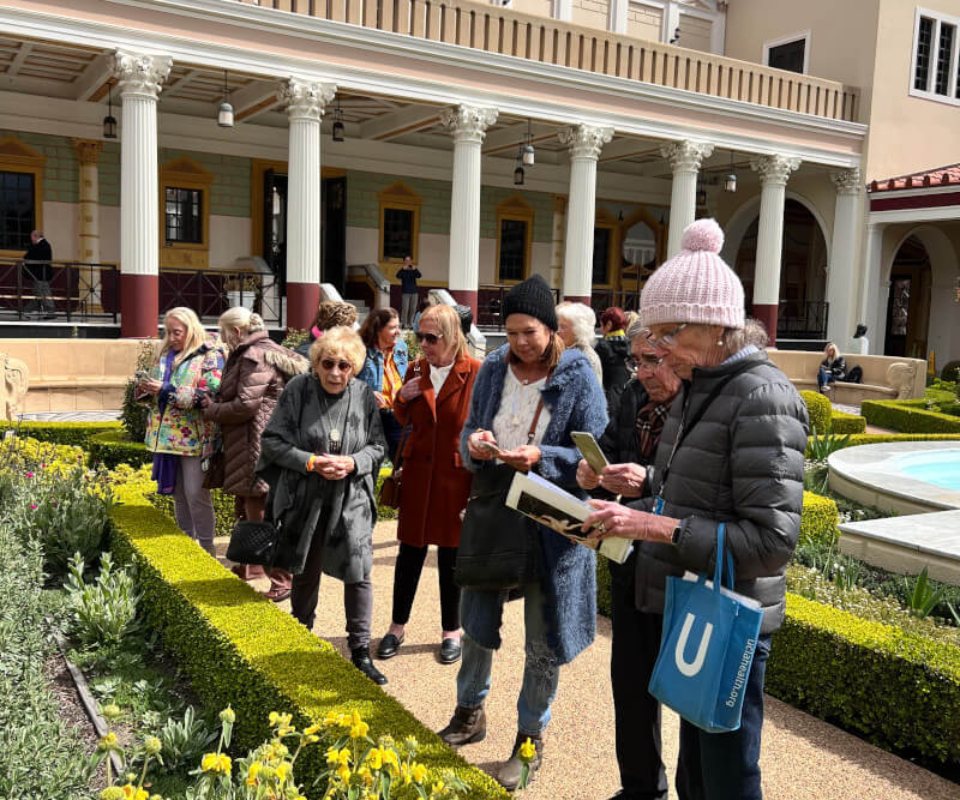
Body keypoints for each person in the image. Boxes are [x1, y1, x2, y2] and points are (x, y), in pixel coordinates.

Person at [582, 219, 808, 800]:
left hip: (731, 613)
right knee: (695, 776)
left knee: (726, 779)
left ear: (711, 325)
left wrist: (654, 523)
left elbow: (772, 541)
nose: (657, 351)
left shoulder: (764, 396)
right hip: (692, 599)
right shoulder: (703, 384)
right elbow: (696, 485)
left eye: (666, 335)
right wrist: (638, 489)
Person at [438, 274, 608, 790]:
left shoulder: (578, 374)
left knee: (542, 639)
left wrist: (543, 456)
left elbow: (596, 450)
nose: (518, 343)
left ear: (552, 328)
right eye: (510, 333)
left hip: (551, 522)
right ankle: (470, 711)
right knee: (476, 621)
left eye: (528, 332)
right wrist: (480, 443)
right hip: (495, 510)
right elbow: (468, 432)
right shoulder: (493, 367)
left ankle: (530, 739)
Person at [576, 319, 681, 800]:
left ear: (679, 358)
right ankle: (641, 789)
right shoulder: (631, 399)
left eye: (652, 361)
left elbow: (699, 485)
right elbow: (613, 453)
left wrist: (650, 481)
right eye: (636, 361)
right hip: (629, 563)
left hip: (681, 565)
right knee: (630, 685)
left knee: (689, 696)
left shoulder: (697, 408)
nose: (641, 372)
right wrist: (592, 475)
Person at [257, 326, 388, 685]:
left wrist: (353, 463)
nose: (335, 372)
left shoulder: (363, 395)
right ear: (316, 363)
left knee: (359, 572)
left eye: (344, 365)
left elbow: (378, 446)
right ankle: (302, 637)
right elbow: (271, 441)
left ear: (355, 368)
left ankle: (360, 651)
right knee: (305, 568)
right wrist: (311, 462)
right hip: (306, 495)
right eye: (328, 363)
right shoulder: (298, 390)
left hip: (352, 497)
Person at [376, 304, 482, 665]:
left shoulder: (477, 373)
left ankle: (452, 630)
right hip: (419, 475)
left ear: (453, 337)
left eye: (431, 337)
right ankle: (396, 626)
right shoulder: (414, 369)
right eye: (419, 335)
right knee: (409, 552)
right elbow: (408, 419)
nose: (423, 343)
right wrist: (400, 401)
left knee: (451, 558)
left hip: (456, 478)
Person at [202, 307, 308, 601]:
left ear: (236, 331)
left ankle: (281, 579)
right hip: (259, 441)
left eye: (224, 333)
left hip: (255, 442)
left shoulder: (252, 355)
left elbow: (245, 405)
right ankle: (252, 565)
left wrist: (211, 409)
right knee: (253, 505)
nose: (223, 340)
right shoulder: (266, 350)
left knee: (261, 511)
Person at [137, 307, 225, 557]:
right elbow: (156, 390)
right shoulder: (165, 354)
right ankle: (187, 550)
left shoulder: (210, 355)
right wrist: (145, 389)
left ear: (191, 329)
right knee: (178, 496)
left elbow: (208, 394)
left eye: (177, 332)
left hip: (195, 438)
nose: (172, 337)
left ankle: (207, 551)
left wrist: (165, 390)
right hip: (166, 438)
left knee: (196, 495)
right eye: (168, 332)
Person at [358, 308, 409, 460]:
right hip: (372, 418)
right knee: (370, 465)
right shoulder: (360, 350)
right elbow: (347, 382)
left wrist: (418, 375)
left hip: (399, 414)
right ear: (378, 328)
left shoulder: (401, 348)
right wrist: (366, 393)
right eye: (393, 328)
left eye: (398, 327)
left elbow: (414, 368)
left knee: (405, 466)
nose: (398, 332)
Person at [595, 307, 631, 409]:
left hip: (608, 399)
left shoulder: (602, 347)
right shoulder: (630, 345)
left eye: (602, 325)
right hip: (627, 396)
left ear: (609, 325)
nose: (601, 330)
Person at [556, 301, 602, 382]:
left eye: (563, 327)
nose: (558, 331)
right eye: (558, 326)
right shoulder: (568, 351)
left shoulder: (586, 358)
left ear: (577, 330)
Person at [22, 230, 54, 318]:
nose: (31, 240)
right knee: (39, 292)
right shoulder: (43, 245)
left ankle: (50, 311)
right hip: (40, 274)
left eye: (31, 237)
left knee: (42, 292)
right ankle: (26, 311)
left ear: (35, 236)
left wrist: (26, 259)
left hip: (41, 274)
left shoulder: (42, 245)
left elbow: (32, 256)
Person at [398, 255, 422, 328]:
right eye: (406, 260)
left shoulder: (413, 270)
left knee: (413, 308)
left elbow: (419, 275)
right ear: (404, 261)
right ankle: (404, 323)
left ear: (411, 261)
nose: (408, 262)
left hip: (414, 292)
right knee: (405, 308)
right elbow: (398, 276)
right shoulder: (403, 270)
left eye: (409, 260)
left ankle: (410, 323)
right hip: (405, 292)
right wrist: (402, 269)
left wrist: (416, 269)